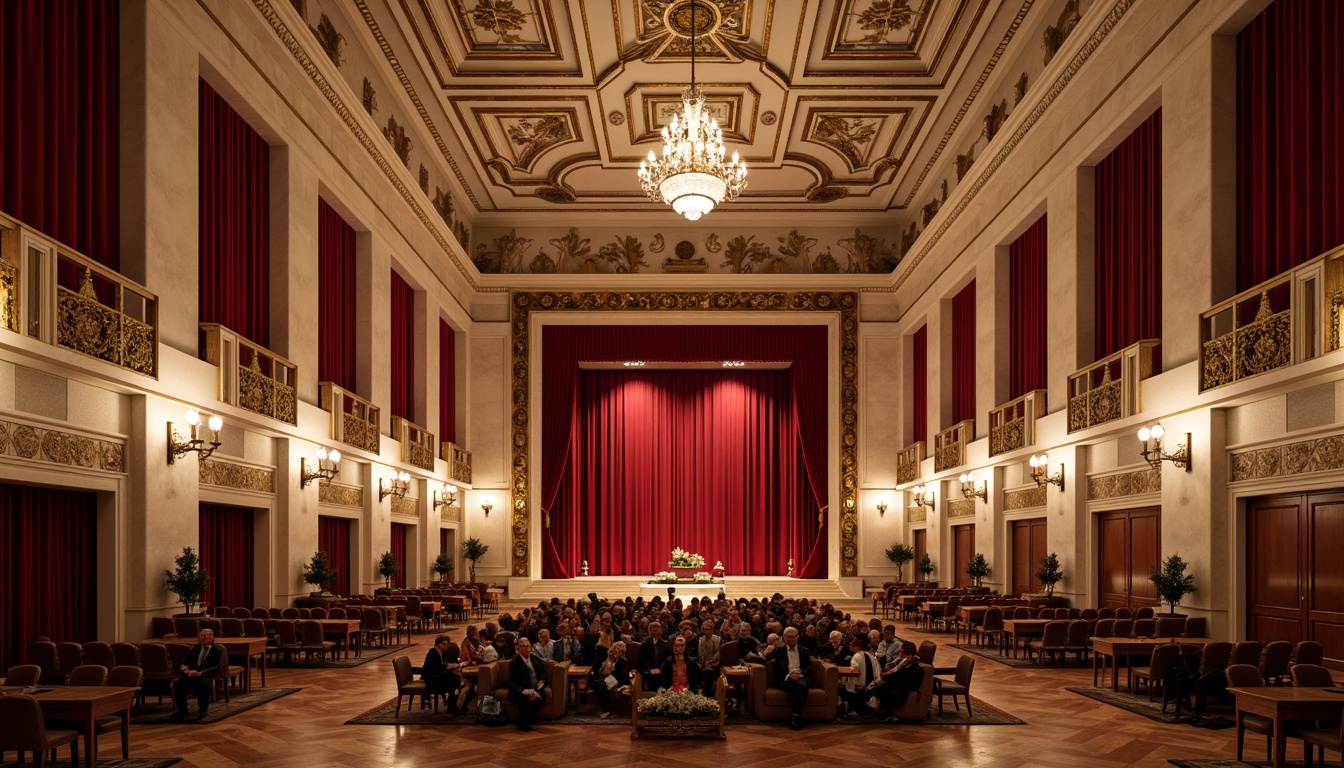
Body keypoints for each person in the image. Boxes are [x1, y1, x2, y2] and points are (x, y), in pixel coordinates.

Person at [171, 629, 224, 720]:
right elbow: (184, 662)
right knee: (178, 684)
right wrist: (187, 671)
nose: (205, 639)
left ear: (212, 638)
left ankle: (203, 710)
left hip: (205, 675)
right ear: (199, 638)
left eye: (207, 637)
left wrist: (201, 673)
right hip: (191, 674)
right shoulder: (195, 648)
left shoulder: (217, 650)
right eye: (202, 637)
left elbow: (216, 667)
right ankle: (182, 710)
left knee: (203, 685)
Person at [772, 626, 812, 730]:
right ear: (784, 638)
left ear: (797, 637)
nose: (791, 639)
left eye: (793, 636)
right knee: (801, 686)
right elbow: (774, 666)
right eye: (789, 637)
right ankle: (796, 716)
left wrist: (799, 673)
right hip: (786, 678)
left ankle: (796, 716)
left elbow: (809, 667)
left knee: (801, 685)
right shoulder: (779, 651)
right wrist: (790, 675)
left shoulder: (804, 650)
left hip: (800, 676)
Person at [875, 641, 924, 721]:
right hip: (895, 685)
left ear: (908, 654)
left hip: (903, 691)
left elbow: (909, 684)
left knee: (884, 688)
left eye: (902, 652)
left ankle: (887, 713)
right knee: (879, 685)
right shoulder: (900, 662)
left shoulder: (916, 669)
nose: (900, 654)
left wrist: (892, 677)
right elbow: (892, 670)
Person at [508, 636, 547, 732]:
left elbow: (543, 672)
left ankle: (529, 718)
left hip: (535, 688)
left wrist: (542, 681)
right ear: (518, 649)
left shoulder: (534, 659)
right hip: (520, 690)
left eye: (528, 645)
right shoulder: (514, 663)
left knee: (541, 698)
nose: (527, 648)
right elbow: (513, 682)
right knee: (524, 700)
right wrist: (524, 691)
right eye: (524, 646)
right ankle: (523, 724)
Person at [841, 635, 881, 717]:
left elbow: (854, 671)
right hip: (871, 686)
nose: (850, 643)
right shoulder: (871, 656)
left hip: (859, 687)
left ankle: (851, 709)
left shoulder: (857, 656)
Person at [589, 640, 630, 719]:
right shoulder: (606, 658)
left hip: (615, 679)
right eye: (615, 646)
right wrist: (609, 658)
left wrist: (616, 658)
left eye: (619, 647)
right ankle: (605, 709)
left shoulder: (623, 660)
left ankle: (606, 710)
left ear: (623, 651)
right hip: (603, 679)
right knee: (597, 684)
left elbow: (618, 672)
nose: (616, 648)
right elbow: (598, 670)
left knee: (600, 685)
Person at [422, 636, 462, 713]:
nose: (445, 647)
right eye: (443, 644)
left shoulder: (440, 653)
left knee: (455, 678)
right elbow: (436, 668)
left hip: (437, 677)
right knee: (454, 680)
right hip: (432, 680)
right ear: (438, 644)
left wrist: (450, 665)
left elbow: (441, 665)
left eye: (446, 645)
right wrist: (448, 666)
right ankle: (451, 705)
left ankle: (451, 703)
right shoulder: (433, 653)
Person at [693, 619, 722, 696]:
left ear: (712, 630)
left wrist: (710, 663)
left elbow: (718, 653)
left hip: (714, 664)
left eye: (708, 629)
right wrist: (698, 662)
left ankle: (709, 693)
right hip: (700, 663)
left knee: (709, 671)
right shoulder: (699, 639)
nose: (706, 631)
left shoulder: (718, 639)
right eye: (704, 629)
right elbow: (694, 653)